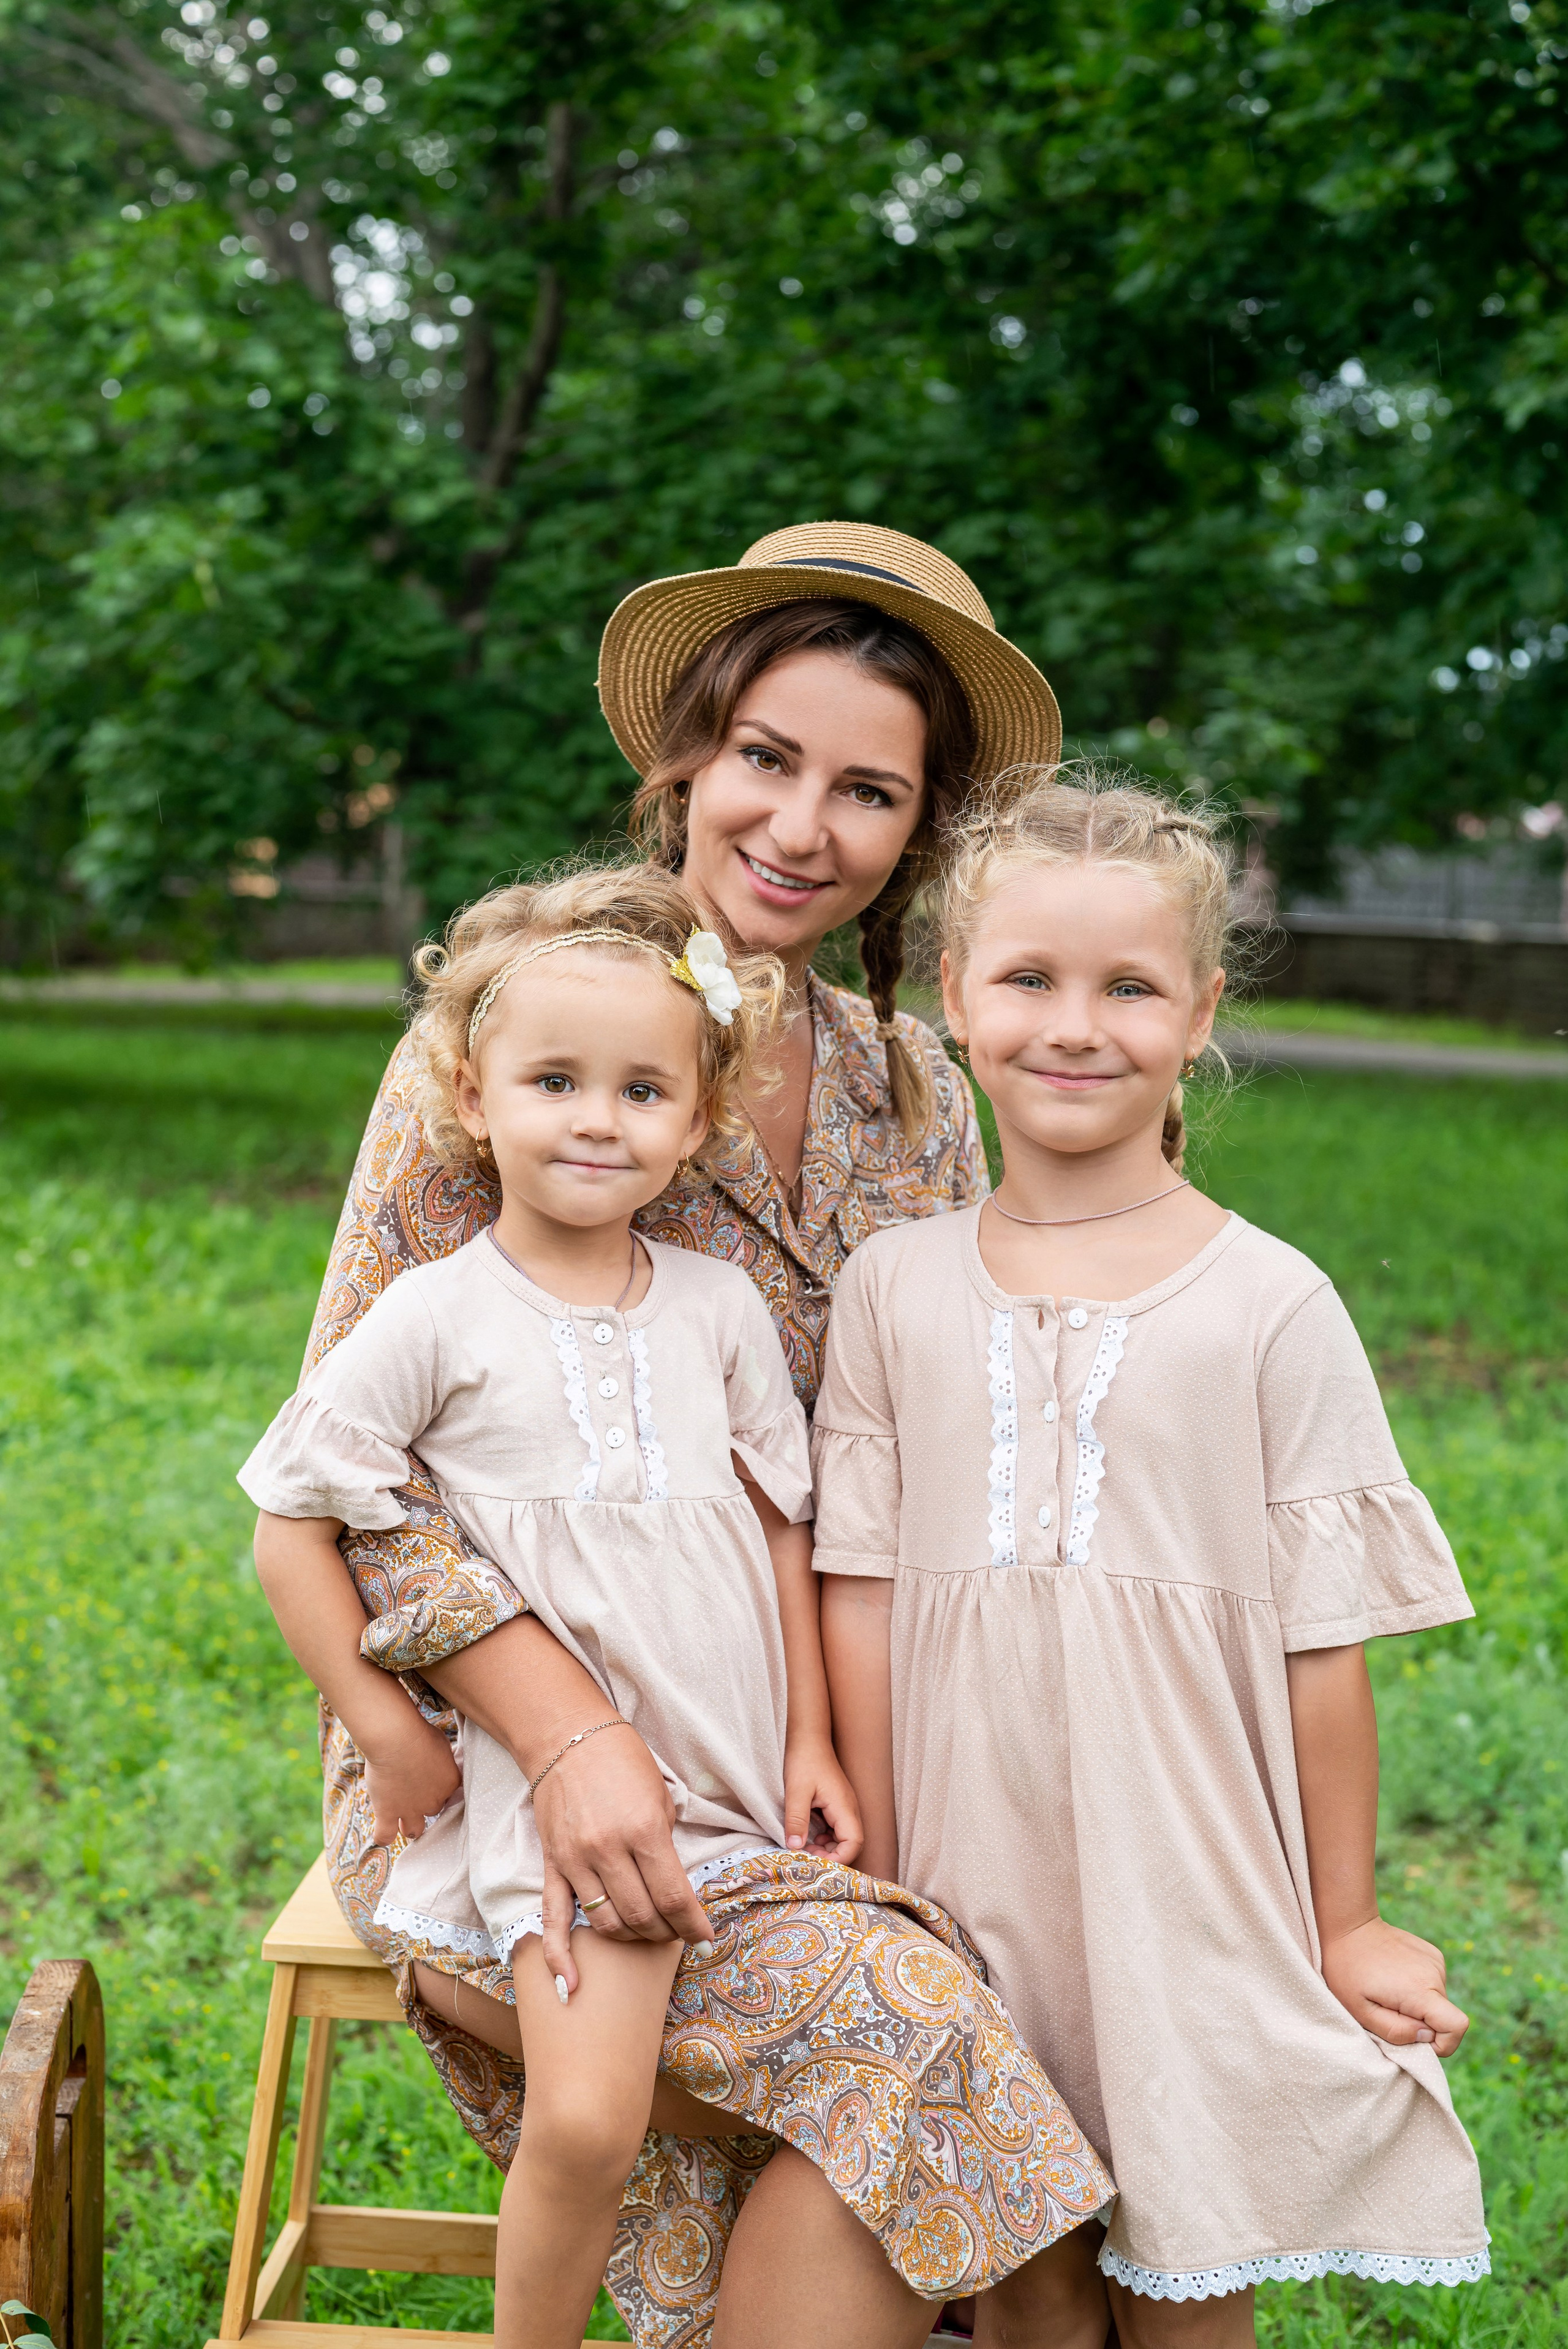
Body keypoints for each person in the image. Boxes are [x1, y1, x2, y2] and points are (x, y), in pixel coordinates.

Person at [293, 527, 1115, 2344]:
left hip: (813, 1729)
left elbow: (920, 1462)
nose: (802, 825)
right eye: (766, 757)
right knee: (907, 2044)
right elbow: (364, 1487)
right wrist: (571, 1736)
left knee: (1065, 1984)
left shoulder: (918, 1092)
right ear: (686, 755)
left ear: (923, 829)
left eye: (869, 789)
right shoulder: (535, 1021)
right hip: (504, 1763)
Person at [814, 769, 1490, 2348]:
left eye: (1129, 988)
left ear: (1200, 1018)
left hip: (1190, 1864)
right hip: (969, 1875)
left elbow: (1328, 1641)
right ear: (957, 1003)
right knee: (1023, 2270)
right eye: (1029, 979)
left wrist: (1346, 1920)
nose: (1075, 1024)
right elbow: (859, 1590)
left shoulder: (1270, 1302)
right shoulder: (893, 1290)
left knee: (1189, 2273)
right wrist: (892, 1877)